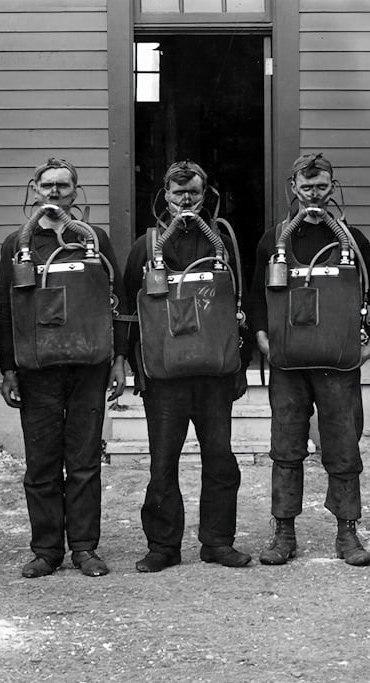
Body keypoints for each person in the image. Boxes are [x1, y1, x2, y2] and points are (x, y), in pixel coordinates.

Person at [247, 153, 370, 567]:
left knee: (342, 447)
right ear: (293, 188)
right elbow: (255, 297)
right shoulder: (275, 240)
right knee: (286, 448)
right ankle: (284, 531)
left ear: (332, 187)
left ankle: (347, 532)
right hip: (289, 365)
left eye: (321, 187)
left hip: (338, 365)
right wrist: (261, 339)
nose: (314, 195)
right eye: (306, 188)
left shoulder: (351, 239)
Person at [0, 158, 129, 578]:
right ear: (35, 189)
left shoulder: (94, 240)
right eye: (47, 185)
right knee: (41, 463)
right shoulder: (16, 245)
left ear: (75, 192)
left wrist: (117, 359)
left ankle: (85, 548)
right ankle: (47, 549)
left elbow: (118, 303)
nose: (54, 193)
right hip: (38, 369)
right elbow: (5, 310)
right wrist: (9, 369)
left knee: (85, 460)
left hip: (88, 366)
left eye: (63, 186)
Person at [123, 160, 252, 573]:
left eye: (193, 193)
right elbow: (129, 311)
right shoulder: (147, 245)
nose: (186, 201)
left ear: (205, 194)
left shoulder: (223, 242)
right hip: (164, 379)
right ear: (165, 195)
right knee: (163, 462)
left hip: (214, 374)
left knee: (220, 459)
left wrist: (240, 366)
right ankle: (163, 546)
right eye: (178, 194)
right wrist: (130, 366)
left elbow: (240, 306)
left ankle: (217, 542)